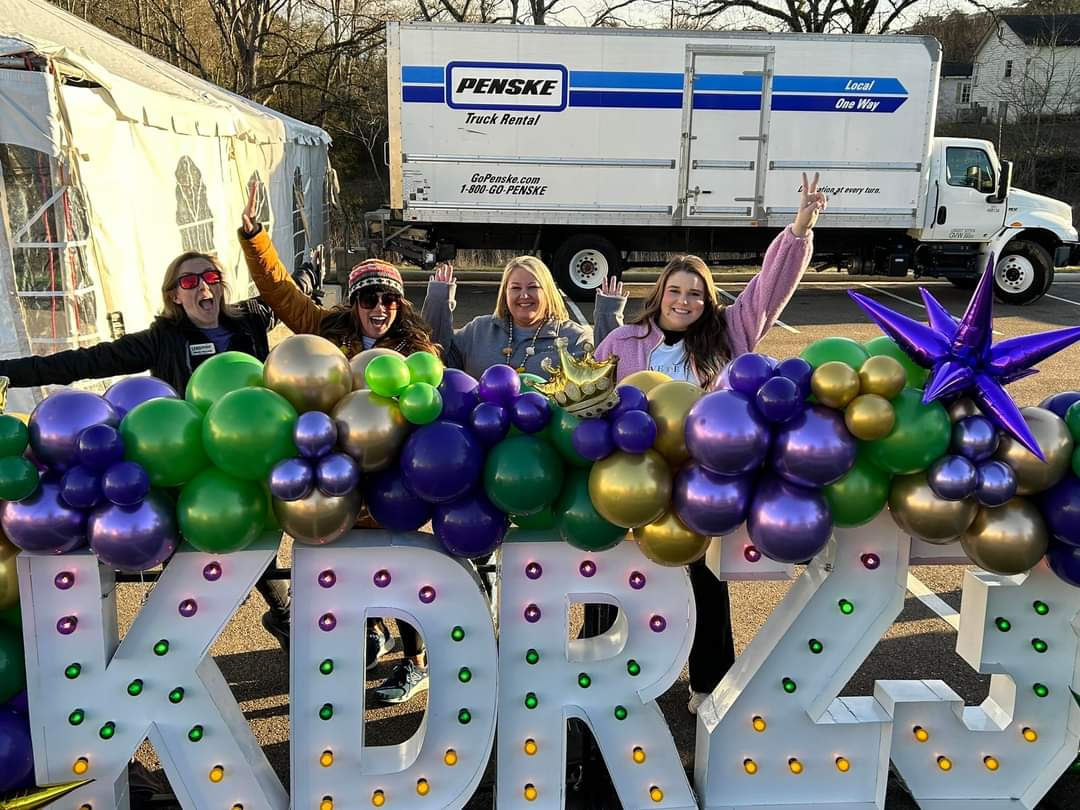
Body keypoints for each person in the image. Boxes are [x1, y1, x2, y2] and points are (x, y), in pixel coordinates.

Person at [593, 173, 827, 714]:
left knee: (705, 582)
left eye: (695, 292)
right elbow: (595, 402)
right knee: (611, 578)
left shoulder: (729, 336)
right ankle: (600, 671)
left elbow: (769, 291)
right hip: (633, 481)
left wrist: (799, 229)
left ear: (707, 300)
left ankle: (708, 686)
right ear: (659, 295)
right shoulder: (622, 341)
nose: (684, 300)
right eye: (675, 291)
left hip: (701, 486)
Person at [0, 248, 293, 652]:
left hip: (247, 463)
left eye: (210, 276)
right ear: (174, 295)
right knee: (187, 564)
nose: (203, 286)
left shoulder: (251, 321)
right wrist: (7, 371)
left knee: (255, 539)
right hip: (185, 471)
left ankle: (285, 616)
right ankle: (169, 649)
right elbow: (82, 362)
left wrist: (267, 246)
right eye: (189, 281)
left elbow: (289, 295)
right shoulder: (162, 339)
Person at [238, 183, 438, 706]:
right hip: (332, 474)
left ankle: (414, 660)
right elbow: (279, 292)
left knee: (396, 573)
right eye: (369, 298)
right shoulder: (325, 329)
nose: (380, 307)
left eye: (389, 298)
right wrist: (255, 237)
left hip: (390, 477)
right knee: (346, 567)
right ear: (353, 302)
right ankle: (368, 634)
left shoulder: (415, 346)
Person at [422, 255, 623, 378]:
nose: (524, 295)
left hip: (545, 442)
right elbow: (435, 355)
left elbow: (607, 372)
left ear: (548, 292)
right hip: (484, 436)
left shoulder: (574, 338)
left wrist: (609, 314)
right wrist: (439, 300)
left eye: (533, 287)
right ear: (505, 293)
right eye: (515, 288)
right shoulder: (478, 331)